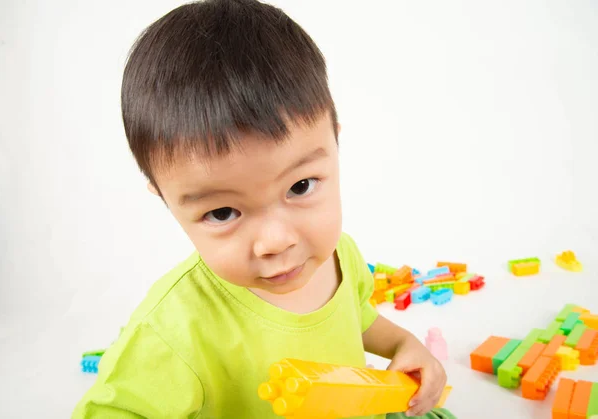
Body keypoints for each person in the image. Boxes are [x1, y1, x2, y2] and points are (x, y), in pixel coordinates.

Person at [73, 0, 455, 417]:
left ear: (335, 146)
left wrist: (403, 345)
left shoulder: (339, 253)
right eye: (222, 213)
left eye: (300, 186)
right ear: (165, 200)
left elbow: (357, 319)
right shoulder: (174, 327)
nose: (276, 241)